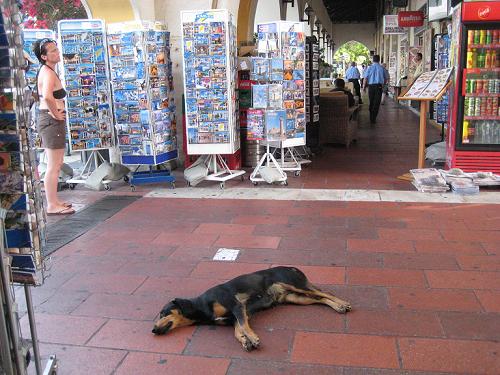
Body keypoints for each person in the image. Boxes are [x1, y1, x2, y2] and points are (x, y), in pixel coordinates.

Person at [33, 38, 74, 215]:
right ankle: (51, 204)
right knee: (54, 165)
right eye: (53, 51)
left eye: (57, 50)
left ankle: (54, 200)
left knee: (57, 163)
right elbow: (48, 97)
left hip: (52, 121)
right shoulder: (48, 73)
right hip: (51, 122)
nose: (57, 53)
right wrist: (56, 114)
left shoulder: (49, 70)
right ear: (44, 56)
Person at [363, 55, 389, 124]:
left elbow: (365, 78)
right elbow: (386, 78)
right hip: (379, 87)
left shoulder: (369, 68)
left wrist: (363, 87)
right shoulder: (382, 68)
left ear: (373, 60)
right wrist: (383, 84)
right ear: (379, 60)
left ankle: (371, 115)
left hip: (371, 87)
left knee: (371, 101)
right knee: (377, 102)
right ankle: (373, 118)